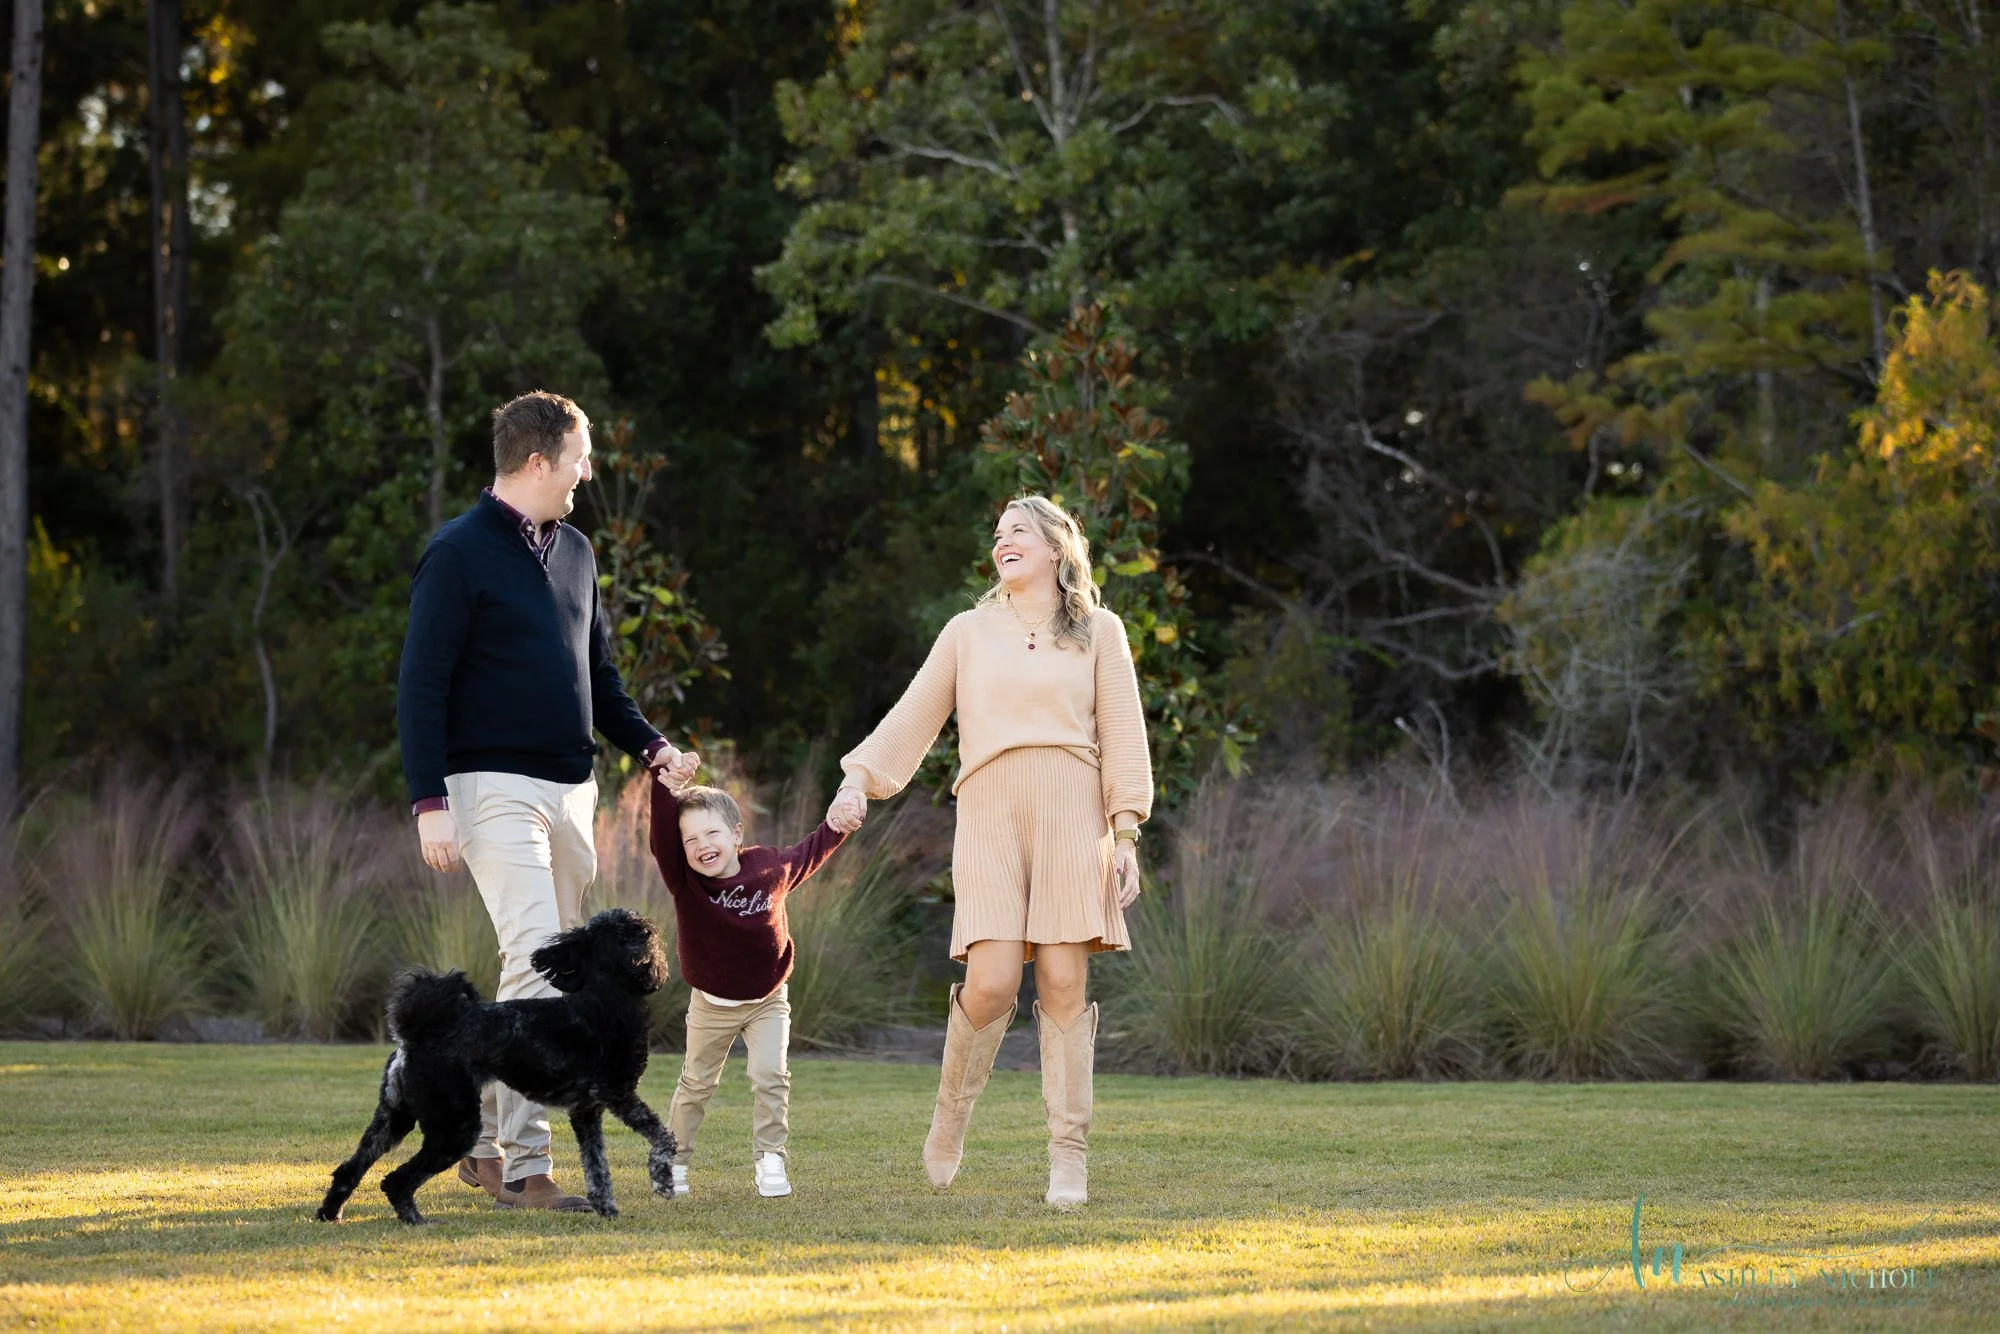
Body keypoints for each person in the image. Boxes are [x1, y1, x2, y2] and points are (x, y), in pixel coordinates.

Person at [397, 389, 683, 1212]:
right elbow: (421, 685)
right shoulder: (456, 554)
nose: (586, 474)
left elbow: (599, 679)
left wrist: (655, 749)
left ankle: (479, 1144)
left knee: (547, 963)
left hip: (572, 789)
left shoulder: (578, 553)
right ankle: (527, 1167)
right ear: (535, 462)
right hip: (489, 789)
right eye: (578, 460)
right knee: (532, 954)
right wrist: (429, 801)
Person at [827, 494, 1151, 1208]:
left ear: (1056, 549)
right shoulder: (967, 632)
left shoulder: (1100, 630)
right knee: (995, 980)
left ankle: (1069, 1156)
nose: (1002, 542)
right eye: (997, 533)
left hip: (1074, 807)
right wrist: (858, 778)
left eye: (1019, 533)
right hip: (990, 809)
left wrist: (1125, 831)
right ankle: (950, 1118)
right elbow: (914, 715)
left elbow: (1124, 734)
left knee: (1065, 981)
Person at [645, 761, 848, 1199]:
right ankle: (673, 1160)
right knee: (697, 1084)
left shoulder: (769, 868)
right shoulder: (685, 883)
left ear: (736, 834)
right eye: (691, 840)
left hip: (768, 999)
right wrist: (664, 788)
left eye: (712, 833)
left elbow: (811, 852)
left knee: (770, 1074)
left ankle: (770, 1158)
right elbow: (662, 839)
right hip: (711, 1004)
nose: (702, 846)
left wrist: (839, 824)